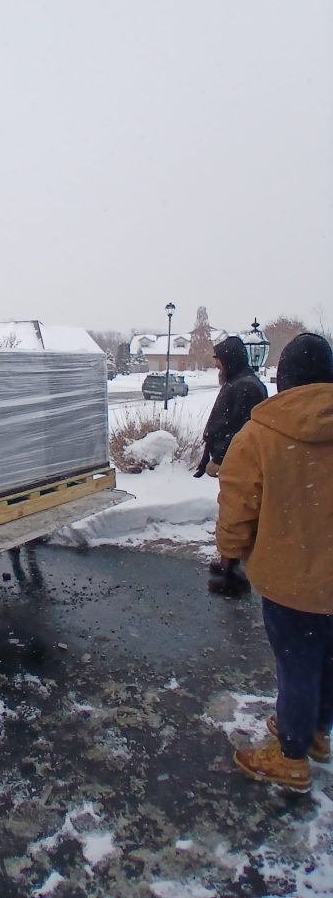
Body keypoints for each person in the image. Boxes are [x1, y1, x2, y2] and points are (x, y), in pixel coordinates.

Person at [215, 333, 333, 793]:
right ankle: (316, 730)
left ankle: (290, 755)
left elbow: (238, 508)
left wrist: (229, 556)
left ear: (283, 379)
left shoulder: (260, 436)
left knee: (297, 664)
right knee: (328, 659)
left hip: (290, 581)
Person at [193, 336, 267, 596]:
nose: (217, 365)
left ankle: (234, 576)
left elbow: (242, 430)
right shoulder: (238, 381)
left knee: (237, 513)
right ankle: (229, 564)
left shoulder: (246, 386)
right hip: (232, 458)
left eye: (219, 360)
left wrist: (223, 455)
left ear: (230, 360)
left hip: (239, 462)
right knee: (232, 512)